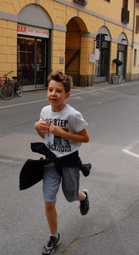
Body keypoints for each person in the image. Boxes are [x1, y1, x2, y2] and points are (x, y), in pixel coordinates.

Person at [33, 70, 90, 255]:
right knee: (49, 202)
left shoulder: (73, 115)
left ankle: (83, 196)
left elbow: (85, 138)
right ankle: (54, 236)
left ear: (66, 95)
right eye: (50, 90)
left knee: (70, 196)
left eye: (58, 91)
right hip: (51, 161)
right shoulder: (44, 111)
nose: (53, 94)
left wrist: (63, 134)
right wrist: (37, 127)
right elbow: (44, 135)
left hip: (69, 160)